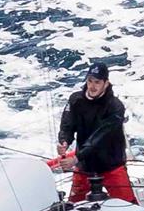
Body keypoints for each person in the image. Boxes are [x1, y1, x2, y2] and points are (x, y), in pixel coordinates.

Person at [53, 60, 135, 203]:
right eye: (90, 81)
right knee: (73, 205)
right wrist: (64, 141)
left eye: (97, 82)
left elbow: (100, 137)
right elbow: (67, 125)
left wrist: (76, 158)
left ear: (106, 83)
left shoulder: (115, 107)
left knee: (128, 205)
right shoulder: (75, 100)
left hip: (111, 166)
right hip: (85, 166)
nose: (92, 86)